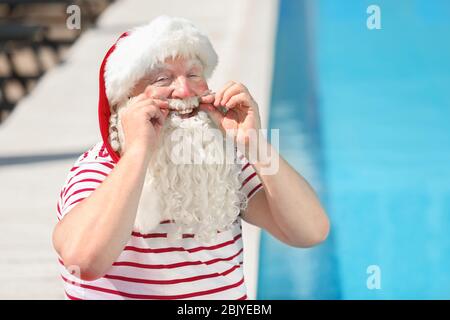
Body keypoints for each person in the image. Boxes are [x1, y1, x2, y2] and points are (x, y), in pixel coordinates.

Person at [52, 15, 329, 300]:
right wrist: (138, 151)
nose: (184, 91)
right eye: (162, 79)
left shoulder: (221, 162)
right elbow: (83, 262)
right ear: (124, 103)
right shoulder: (96, 172)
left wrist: (254, 144)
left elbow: (310, 231)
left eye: (194, 75)